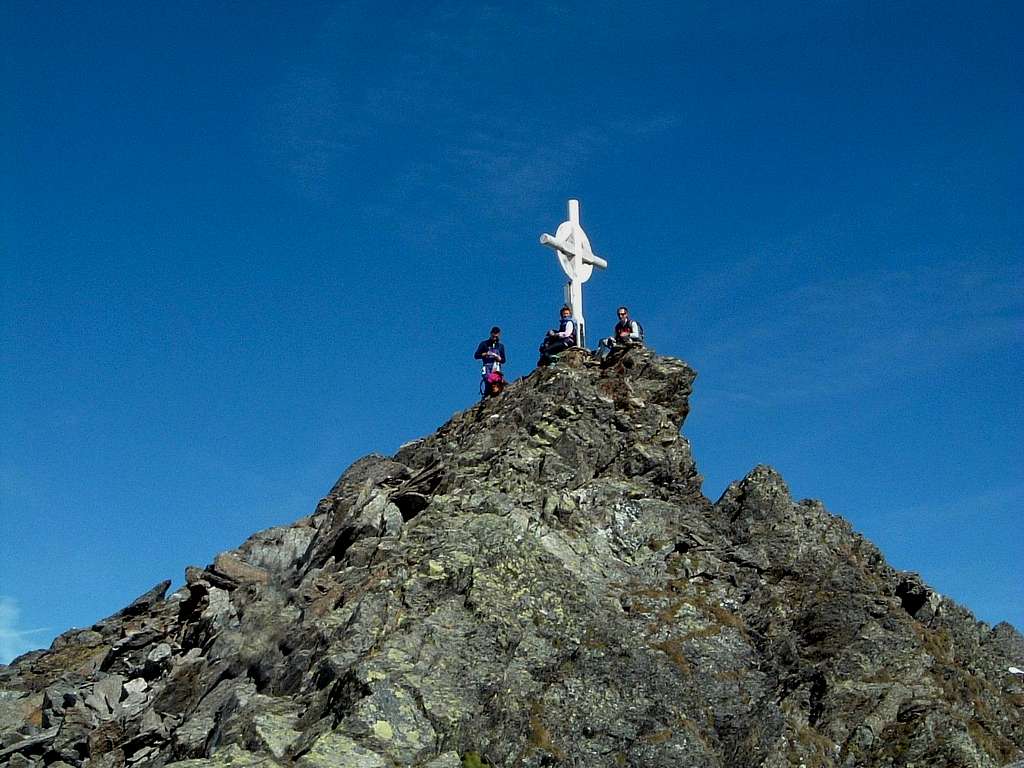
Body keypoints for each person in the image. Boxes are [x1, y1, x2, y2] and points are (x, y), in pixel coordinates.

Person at [475, 326, 507, 397]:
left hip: (496, 367)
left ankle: (497, 396)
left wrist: (499, 358)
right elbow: (476, 356)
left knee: (496, 382)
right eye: (493, 336)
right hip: (487, 367)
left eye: (496, 336)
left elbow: (504, 360)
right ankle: (486, 398)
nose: (495, 338)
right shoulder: (484, 344)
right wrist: (485, 354)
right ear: (491, 334)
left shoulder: (500, 346)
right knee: (488, 382)